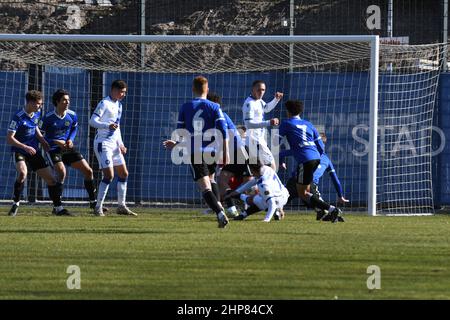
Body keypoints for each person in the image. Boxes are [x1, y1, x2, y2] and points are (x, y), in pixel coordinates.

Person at [163, 76, 230, 228]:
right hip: (212, 150)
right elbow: (223, 131)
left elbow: (180, 132)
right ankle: (219, 207)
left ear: (193, 89)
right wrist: (226, 152)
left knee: (205, 186)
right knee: (212, 180)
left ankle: (219, 211)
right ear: (207, 89)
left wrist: (176, 144)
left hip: (195, 151)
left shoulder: (186, 106)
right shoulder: (214, 107)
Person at [277, 100, 343, 223]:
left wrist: (276, 158)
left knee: (302, 193)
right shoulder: (309, 124)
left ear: (288, 111)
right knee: (305, 191)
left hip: (305, 160)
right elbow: (320, 146)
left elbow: (275, 142)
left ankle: (331, 209)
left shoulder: (286, 123)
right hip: (316, 158)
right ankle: (325, 210)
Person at [6, 90, 69, 216]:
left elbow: (35, 128)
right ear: (30, 103)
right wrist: (24, 147)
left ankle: (58, 209)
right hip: (20, 151)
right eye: (38, 104)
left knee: (51, 180)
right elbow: (9, 139)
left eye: (41, 104)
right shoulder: (18, 117)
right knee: (23, 173)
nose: (40, 106)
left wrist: (43, 141)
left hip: (34, 151)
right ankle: (16, 203)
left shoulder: (37, 113)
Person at [40, 89, 103, 213]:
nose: (67, 102)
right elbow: (40, 137)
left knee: (88, 171)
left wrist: (70, 140)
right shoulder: (47, 118)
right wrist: (55, 141)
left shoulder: (72, 115)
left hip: (67, 148)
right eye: (64, 100)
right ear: (57, 102)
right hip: (53, 149)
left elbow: (74, 129)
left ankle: (93, 203)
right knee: (61, 172)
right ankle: (58, 206)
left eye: (68, 100)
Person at [89, 80, 137, 217]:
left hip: (114, 144)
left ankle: (121, 206)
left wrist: (121, 144)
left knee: (123, 173)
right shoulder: (104, 103)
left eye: (125, 92)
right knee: (109, 175)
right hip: (102, 143)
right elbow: (92, 121)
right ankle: (98, 208)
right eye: (121, 92)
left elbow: (117, 127)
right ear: (113, 90)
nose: (123, 95)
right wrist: (106, 125)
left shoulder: (119, 106)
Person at [207, 92, 252, 218]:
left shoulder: (218, 115)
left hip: (239, 152)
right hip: (235, 152)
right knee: (223, 180)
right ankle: (233, 207)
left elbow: (224, 137)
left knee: (250, 182)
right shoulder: (216, 116)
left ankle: (267, 202)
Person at [242, 80, 283, 170]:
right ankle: (268, 184)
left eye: (263, 90)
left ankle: (260, 184)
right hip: (255, 141)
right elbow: (248, 124)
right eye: (259, 90)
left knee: (259, 171)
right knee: (272, 167)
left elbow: (266, 108)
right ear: (253, 89)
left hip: (259, 140)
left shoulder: (259, 101)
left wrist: (276, 99)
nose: (261, 92)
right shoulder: (250, 104)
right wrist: (269, 122)